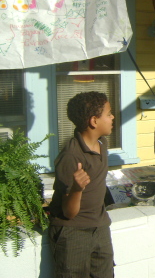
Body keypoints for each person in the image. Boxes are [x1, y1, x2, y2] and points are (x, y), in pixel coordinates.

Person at [48, 91, 115, 278]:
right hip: (73, 233)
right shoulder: (71, 157)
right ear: (94, 121)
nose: (112, 117)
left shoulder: (103, 143)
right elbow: (69, 212)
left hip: (100, 226)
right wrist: (77, 188)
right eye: (108, 114)